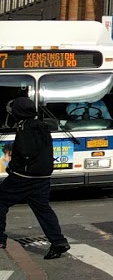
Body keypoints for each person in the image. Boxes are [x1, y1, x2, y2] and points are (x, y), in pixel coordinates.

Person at [0, 97, 70, 260]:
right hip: (42, 177)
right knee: (43, 209)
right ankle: (58, 241)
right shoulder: (43, 125)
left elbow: (25, 152)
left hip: (24, 177)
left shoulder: (25, 127)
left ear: (18, 112)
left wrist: (13, 166)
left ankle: (0, 239)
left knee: (1, 200)